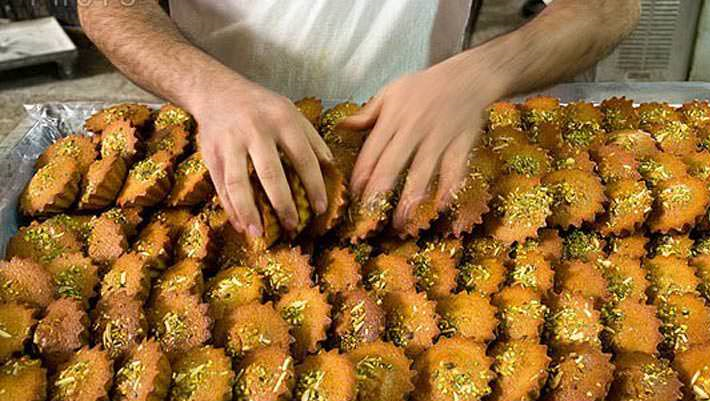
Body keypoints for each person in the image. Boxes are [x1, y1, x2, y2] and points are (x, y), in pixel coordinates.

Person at [78, 0, 640, 236]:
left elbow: (606, 7)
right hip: (214, 146)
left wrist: (485, 70)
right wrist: (208, 88)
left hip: (417, 151)